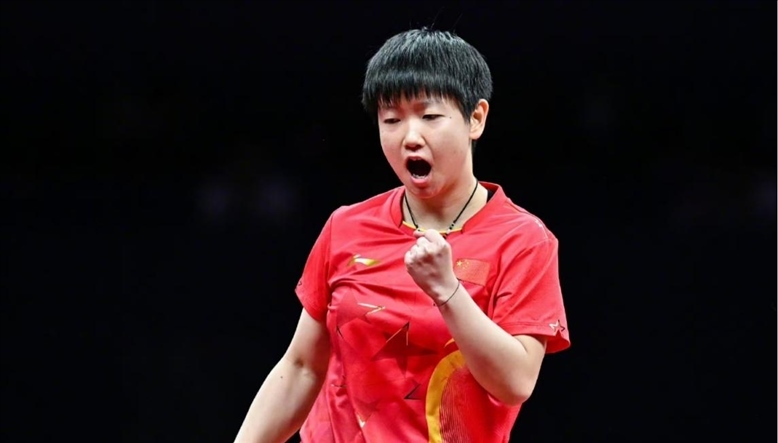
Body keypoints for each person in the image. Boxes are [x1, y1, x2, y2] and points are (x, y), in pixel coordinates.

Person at [233, 27, 570, 443]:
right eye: (391, 120)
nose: (410, 137)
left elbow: (516, 382)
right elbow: (302, 367)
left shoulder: (523, 240)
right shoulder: (346, 227)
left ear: (476, 118)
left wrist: (447, 290)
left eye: (430, 117)